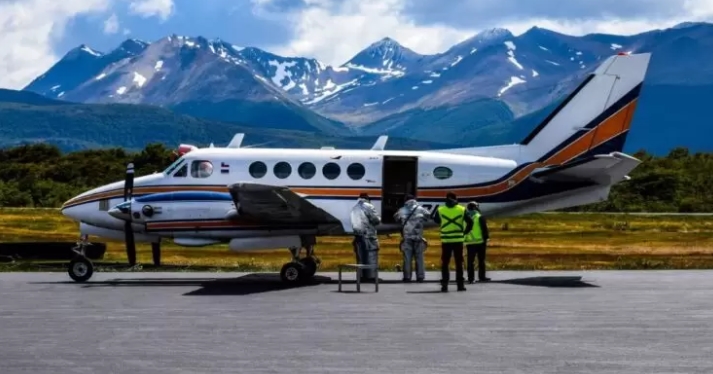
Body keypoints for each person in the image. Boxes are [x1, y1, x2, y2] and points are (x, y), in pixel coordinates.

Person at [433, 191, 473, 292]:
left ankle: (444, 285)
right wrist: (465, 232)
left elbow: (436, 220)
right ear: (456, 199)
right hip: (458, 239)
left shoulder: (441, 209)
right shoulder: (462, 209)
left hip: (446, 240)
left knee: (445, 263)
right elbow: (470, 221)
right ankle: (460, 285)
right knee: (459, 263)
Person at [393, 193, 431, 283]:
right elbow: (428, 216)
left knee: (407, 258)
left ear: (406, 200)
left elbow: (395, 218)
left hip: (407, 237)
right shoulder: (420, 209)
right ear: (414, 199)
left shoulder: (402, 210)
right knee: (419, 257)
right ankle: (420, 276)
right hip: (418, 236)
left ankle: (407, 277)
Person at [349, 192, 381, 281]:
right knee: (371, 255)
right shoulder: (368, 206)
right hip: (369, 235)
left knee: (360, 257)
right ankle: (371, 277)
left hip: (358, 235)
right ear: (367, 199)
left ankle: (361, 276)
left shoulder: (354, 208)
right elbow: (376, 220)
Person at [465, 201, 490, 283]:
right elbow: (484, 229)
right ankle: (482, 277)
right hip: (480, 242)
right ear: (475, 208)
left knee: (470, 262)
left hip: (469, 242)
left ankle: (470, 278)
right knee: (481, 260)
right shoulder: (479, 216)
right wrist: (486, 238)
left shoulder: (465, 217)